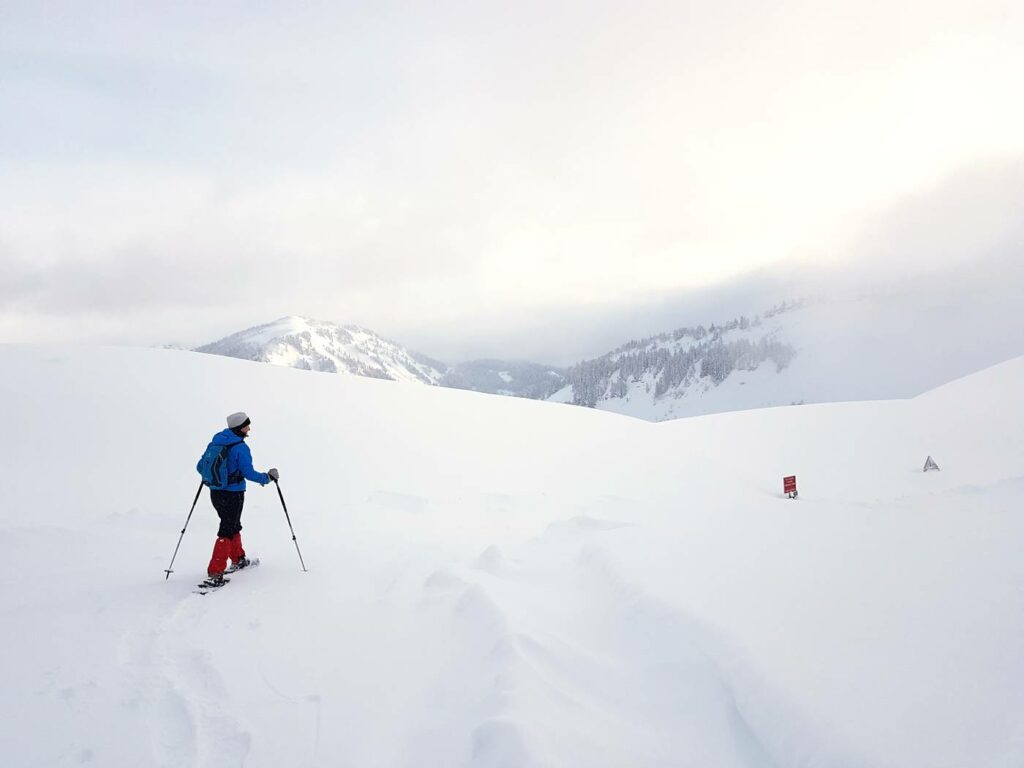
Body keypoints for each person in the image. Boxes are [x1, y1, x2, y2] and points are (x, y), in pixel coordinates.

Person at [201, 411, 279, 584]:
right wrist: (267, 478)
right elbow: (248, 473)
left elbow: (200, 466)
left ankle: (238, 559)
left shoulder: (215, 442)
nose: (249, 428)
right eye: (246, 425)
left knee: (233, 525)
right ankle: (215, 572)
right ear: (239, 428)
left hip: (215, 492)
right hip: (233, 494)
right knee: (227, 530)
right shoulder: (240, 447)